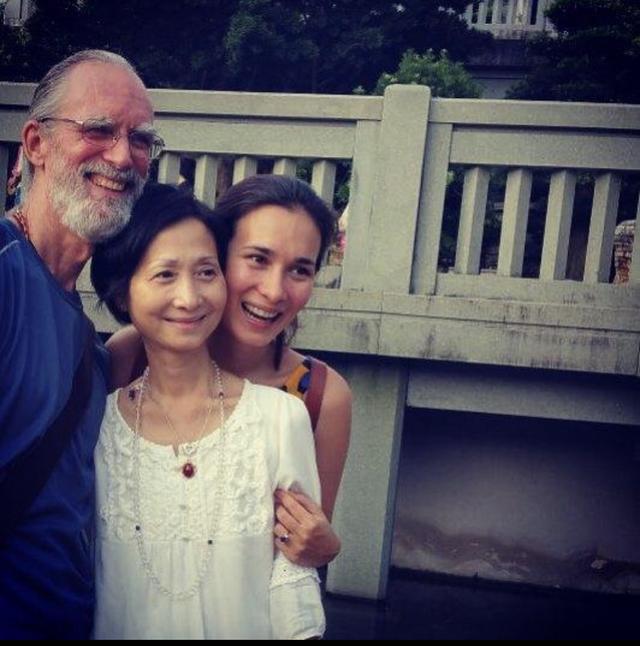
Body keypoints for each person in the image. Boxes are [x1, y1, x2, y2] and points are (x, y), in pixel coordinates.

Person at [90, 182, 325, 639]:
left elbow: (294, 577)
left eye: (205, 272)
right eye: (164, 275)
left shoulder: (280, 419)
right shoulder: (98, 425)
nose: (189, 298)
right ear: (122, 295)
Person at [0, 50, 161, 639]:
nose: (122, 156)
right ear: (36, 144)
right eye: (98, 129)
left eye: (140, 140)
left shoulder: (86, 338)